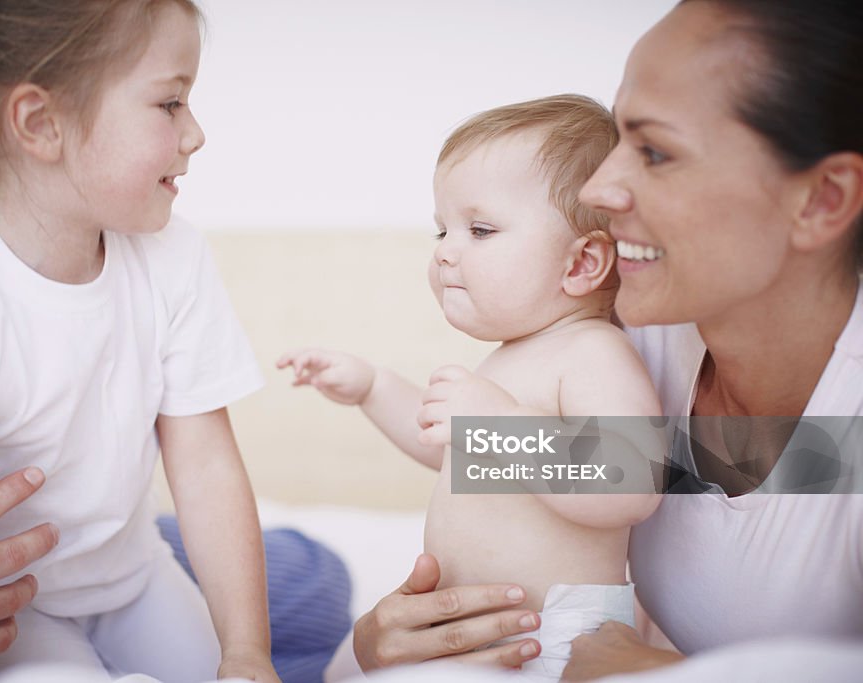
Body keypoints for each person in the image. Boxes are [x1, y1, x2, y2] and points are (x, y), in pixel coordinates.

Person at [350, 0, 863, 679]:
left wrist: (646, 668)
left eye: (655, 150)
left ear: (823, 199)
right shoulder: (623, 332)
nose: (599, 185)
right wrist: (381, 640)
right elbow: (487, 461)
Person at [0, 1, 280, 682]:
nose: (196, 134)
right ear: (41, 124)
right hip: (7, 606)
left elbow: (207, 469)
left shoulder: (174, 256)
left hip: (133, 579)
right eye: (170, 103)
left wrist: (247, 651)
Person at [279, 95, 662, 680]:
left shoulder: (593, 352)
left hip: (553, 641)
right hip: (476, 634)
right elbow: (449, 451)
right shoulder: (511, 359)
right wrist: (374, 387)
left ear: (582, 264)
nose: (445, 253)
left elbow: (631, 484)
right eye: (442, 230)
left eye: (479, 230)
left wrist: (501, 425)